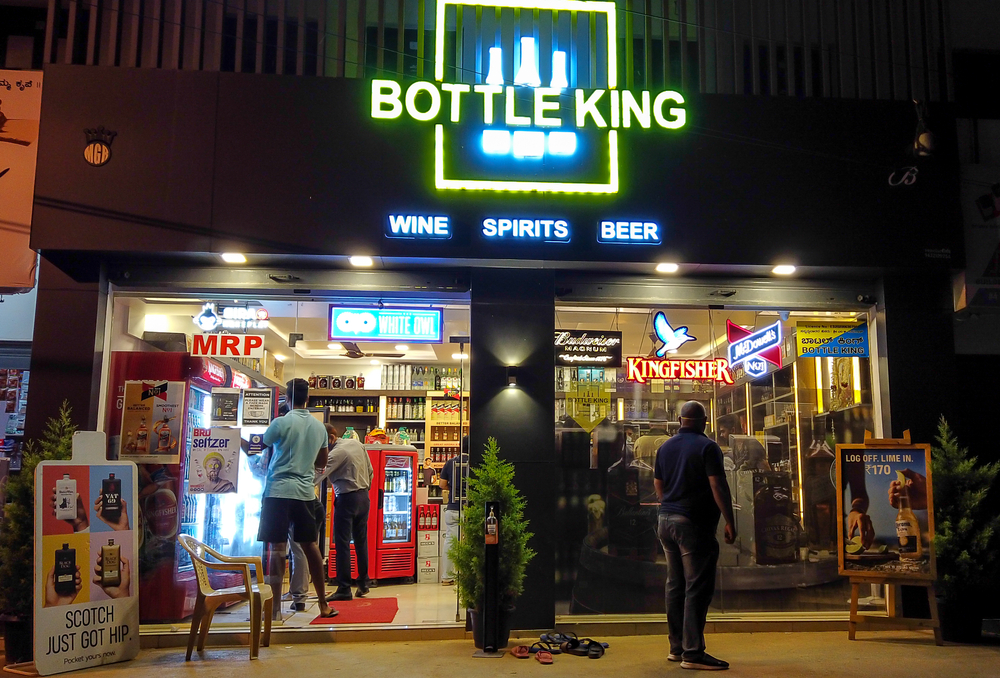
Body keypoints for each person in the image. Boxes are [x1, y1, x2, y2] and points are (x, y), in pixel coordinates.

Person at [654, 401, 736, 671]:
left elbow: (659, 485)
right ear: (704, 421)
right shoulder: (708, 447)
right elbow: (717, 485)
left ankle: (676, 648)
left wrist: (671, 507)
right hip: (694, 524)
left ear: (679, 420)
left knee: (675, 585)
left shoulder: (664, 447)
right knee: (697, 587)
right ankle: (693, 653)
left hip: (666, 521)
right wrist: (729, 520)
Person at [259, 378, 337, 618]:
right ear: (308, 399)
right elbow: (321, 463)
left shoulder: (280, 423)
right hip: (304, 494)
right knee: (310, 546)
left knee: (277, 549)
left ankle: (274, 611)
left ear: (286, 399)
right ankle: (323, 604)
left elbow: (260, 445)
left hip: (277, 493)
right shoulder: (319, 428)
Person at [326, 423, 374, 601]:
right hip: (363, 497)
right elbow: (371, 471)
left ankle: (344, 588)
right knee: (361, 541)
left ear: (331, 438)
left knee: (342, 544)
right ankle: (363, 583)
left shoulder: (335, 453)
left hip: (346, 498)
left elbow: (318, 475)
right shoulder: (356, 443)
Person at [438, 436, 469, 585]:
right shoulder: (475, 462)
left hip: (453, 508)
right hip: (471, 510)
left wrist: (453, 489)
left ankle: (447, 576)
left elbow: (442, 484)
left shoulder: (451, 463)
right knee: (471, 543)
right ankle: (469, 576)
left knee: (450, 542)